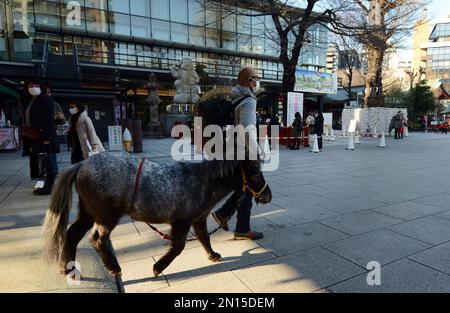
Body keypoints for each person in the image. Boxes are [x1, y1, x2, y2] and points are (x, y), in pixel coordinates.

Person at [212, 67, 264, 240]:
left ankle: (225, 215)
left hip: (233, 148)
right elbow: (247, 130)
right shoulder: (248, 100)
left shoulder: (234, 97)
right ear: (249, 81)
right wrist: (257, 153)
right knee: (250, 187)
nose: (258, 83)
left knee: (243, 186)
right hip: (244, 151)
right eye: (256, 79)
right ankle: (241, 227)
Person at [22, 79, 60, 196]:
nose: (33, 87)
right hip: (32, 135)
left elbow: (49, 120)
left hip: (43, 135)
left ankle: (50, 186)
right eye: (30, 85)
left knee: (47, 159)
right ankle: (44, 183)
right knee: (39, 159)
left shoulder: (45, 99)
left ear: (41, 86)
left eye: (36, 85)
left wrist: (47, 137)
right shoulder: (29, 101)